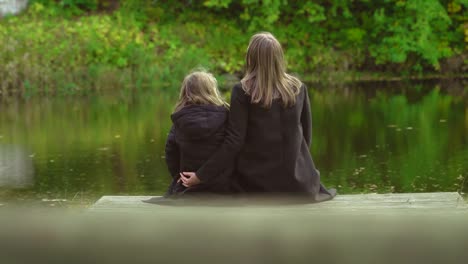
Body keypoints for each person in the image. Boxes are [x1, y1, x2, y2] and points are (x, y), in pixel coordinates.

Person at [182, 32, 336, 202]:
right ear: (279, 58)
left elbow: (234, 142)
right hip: (300, 186)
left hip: (257, 186)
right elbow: (306, 137)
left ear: (251, 57)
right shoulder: (298, 88)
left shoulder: (242, 91)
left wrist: (201, 176)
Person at [158, 69, 233, 198]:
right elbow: (231, 150)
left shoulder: (180, 119)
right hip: (222, 188)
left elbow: (170, 153)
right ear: (212, 90)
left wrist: (179, 177)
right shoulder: (227, 116)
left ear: (185, 93)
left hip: (188, 189)